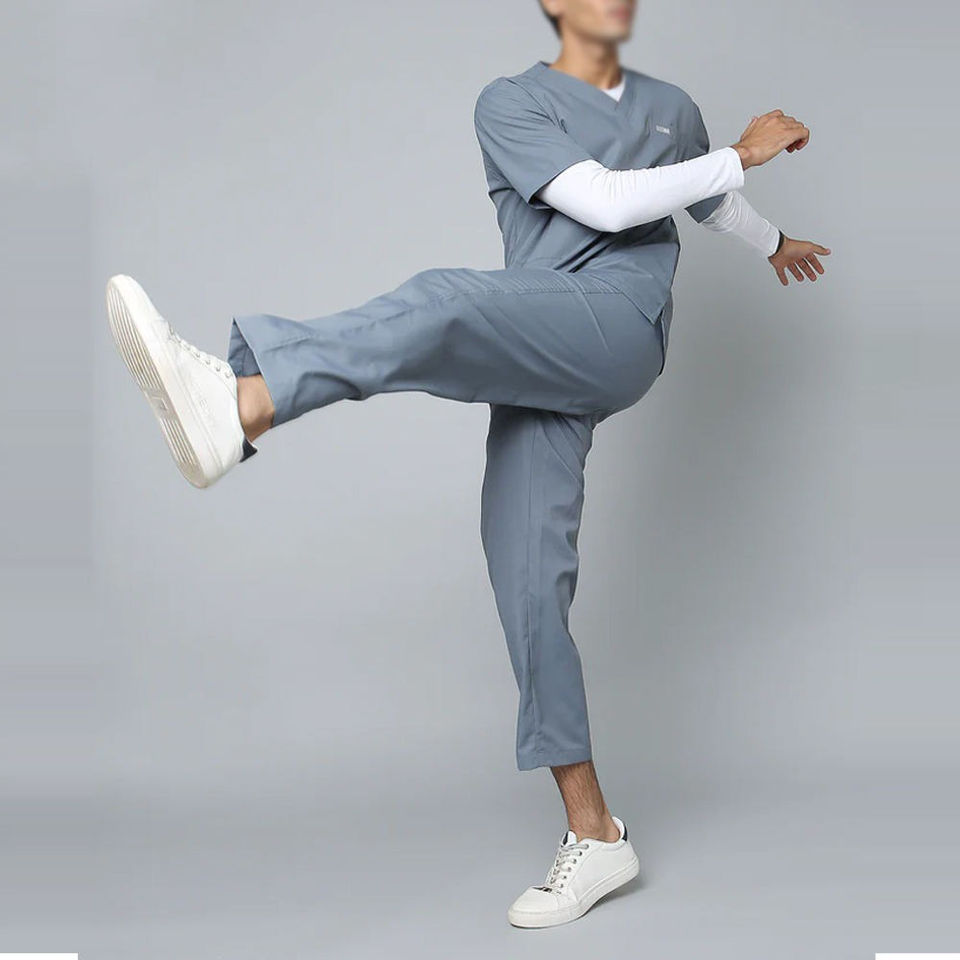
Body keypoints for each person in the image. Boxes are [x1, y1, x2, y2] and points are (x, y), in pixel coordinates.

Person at [104, 0, 830, 930]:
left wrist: (772, 239)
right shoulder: (510, 102)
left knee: (443, 301)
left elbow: (706, 198)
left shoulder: (671, 106)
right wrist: (742, 151)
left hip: (617, 323)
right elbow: (606, 200)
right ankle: (597, 833)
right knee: (526, 575)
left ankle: (245, 404)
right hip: (537, 335)